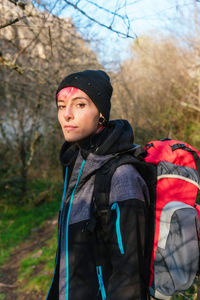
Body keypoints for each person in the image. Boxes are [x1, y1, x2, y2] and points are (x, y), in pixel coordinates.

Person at [46, 70, 149, 300]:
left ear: (101, 113)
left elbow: (129, 278)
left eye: (79, 105)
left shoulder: (122, 176)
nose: (67, 115)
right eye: (61, 106)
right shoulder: (76, 165)